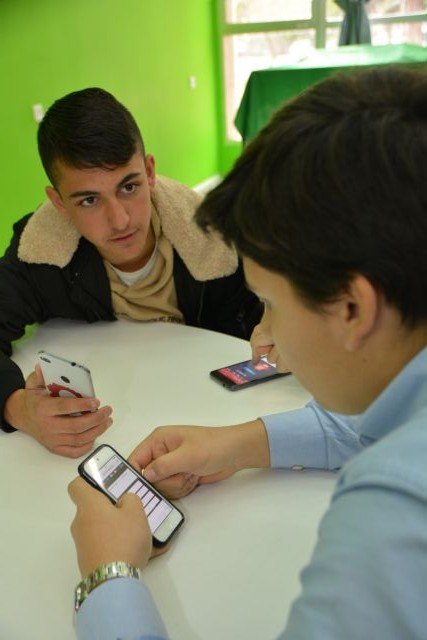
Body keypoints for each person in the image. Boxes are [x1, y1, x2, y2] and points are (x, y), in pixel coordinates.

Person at [69, 65, 427, 639]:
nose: (267, 338)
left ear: (354, 309)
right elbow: (377, 423)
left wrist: (107, 577)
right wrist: (235, 445)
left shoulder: (391, 524)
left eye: (271, 304)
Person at [0, 87, 262, 458]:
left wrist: (276, 322)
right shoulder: (38, 250)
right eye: (89, 200)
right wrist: (16, 406)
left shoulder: (214, 237)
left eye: (129, 186)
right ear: (58, 202)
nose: (120, 220)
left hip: (210, 422)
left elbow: (266, 324)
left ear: (150, 171)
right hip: (115, 433)